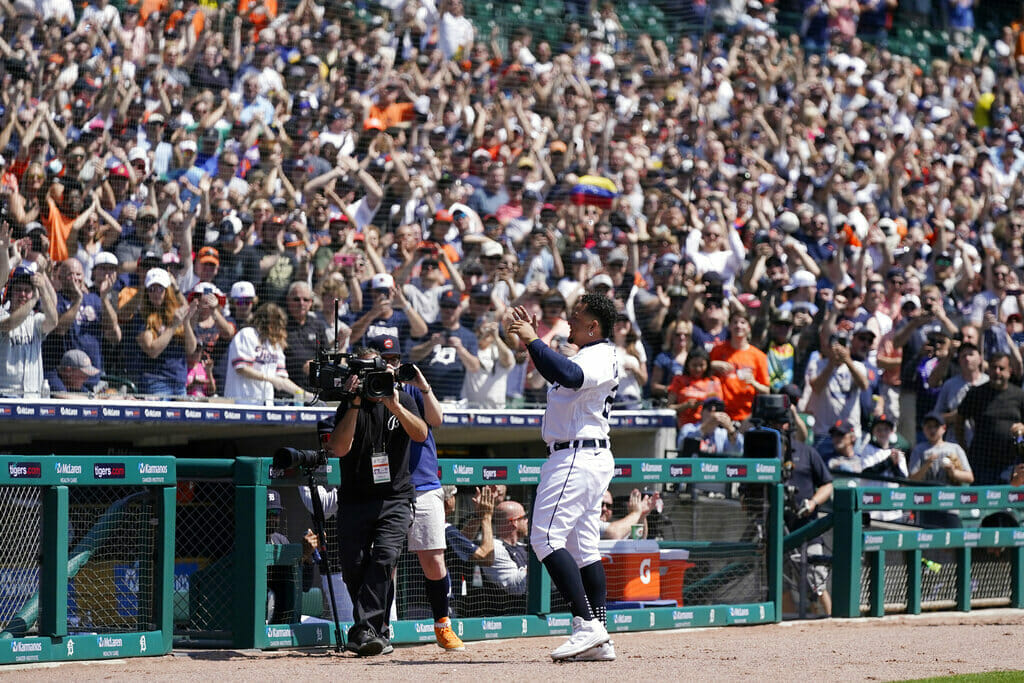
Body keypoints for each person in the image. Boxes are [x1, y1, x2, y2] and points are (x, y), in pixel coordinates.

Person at [506, 293, 617, 662]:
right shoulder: (586, 353)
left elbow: (567, 373)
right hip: (581, 454)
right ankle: (600, 635)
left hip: (577, 455)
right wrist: (533, 343)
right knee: (583, 548)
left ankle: (588, 626)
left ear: (594, 325)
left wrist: (532, 340)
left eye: (577, 316)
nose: (570, 322)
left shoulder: (600, 353)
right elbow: (558, 370)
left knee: (544, 538)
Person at [325, 345, 428, 657]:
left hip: (394, 497)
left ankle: (363, 630)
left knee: (384, 557)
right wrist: (355, 402)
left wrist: (394, 404)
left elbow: (422, 433)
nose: (373, 379)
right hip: (355, 498)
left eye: (377, 372)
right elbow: (338, 449)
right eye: (366, 373)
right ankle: (376, 633)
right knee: (354, 568)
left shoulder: (401, 398)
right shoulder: (349, 404)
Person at [371, 334, 464, 651]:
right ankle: (381, 629)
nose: (389, 365)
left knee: (433, 560)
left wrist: (421, 383)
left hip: (423, 485)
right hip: (387, 489)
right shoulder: (369, 394)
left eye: (393, 359)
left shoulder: (411, 388)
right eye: (383, 359)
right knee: (386, 562)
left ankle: (442, 626)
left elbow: (437, 419)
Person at [957, 353, 1024, 484]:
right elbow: (959, 421)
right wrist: (964, 449)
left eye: (1001, 368)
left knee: (1009, 502)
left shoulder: (1019, 395)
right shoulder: (976, 393)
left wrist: (1022, 430)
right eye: (993, 368)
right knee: (980, 503)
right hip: (981, 462)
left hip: (1011, 462)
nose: (996, 372)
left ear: (1010, 371)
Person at [224, 303, 308, 405]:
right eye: (277, 324)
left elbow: (282, 380)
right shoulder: (247, 334)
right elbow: (242, 368)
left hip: (266, 406)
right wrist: (270, 378)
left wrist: (305, 394)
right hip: (242, 403)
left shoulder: (274, 344)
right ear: (268, 323)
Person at [0, 264, 59, 396]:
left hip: (32, 395)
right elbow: (9, 324)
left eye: (27, 290)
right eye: (18, 290)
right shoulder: (2, 314)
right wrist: (33, 300)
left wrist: (43, 289)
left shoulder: (35, 320)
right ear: (10, 292)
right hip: (5, 395)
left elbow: (53, 321)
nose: (23, 294)